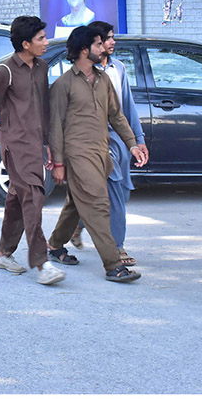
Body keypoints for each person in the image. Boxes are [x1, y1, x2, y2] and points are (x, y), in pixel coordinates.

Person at [0, 16, 65, 286]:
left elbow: (44, 110)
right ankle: (42, 263)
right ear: (25, 43)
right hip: (14, 146)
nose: (46, 42)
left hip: (34, 146)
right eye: (41, 38)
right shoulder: (4, 72)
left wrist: (50, 146)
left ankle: (4, 253)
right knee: (33, 196)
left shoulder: (41, 68)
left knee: (17, 200)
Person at [47, 26, 146, 282]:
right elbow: (55, 127)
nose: (104, 48)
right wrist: (58, 162)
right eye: (99, 44)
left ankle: (55, 246)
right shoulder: (63, 85)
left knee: (76, 203)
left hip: (102, 153)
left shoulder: (103, 80)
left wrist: (133, 144)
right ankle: (114, 265)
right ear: (84, 49)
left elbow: (116, 115)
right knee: (99, 204)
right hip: (77, 155)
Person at [70, 21, 149, 267]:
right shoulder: (83, 73)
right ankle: (117, 246)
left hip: (119, 140)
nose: (112, 42)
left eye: (113, 37)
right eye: (107, 38)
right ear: (94, 44)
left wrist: (138, 139)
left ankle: (77, 223)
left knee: (119, 190)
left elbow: (126, 108)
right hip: (95, 140)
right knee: (113, 190)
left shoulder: (118, 69)